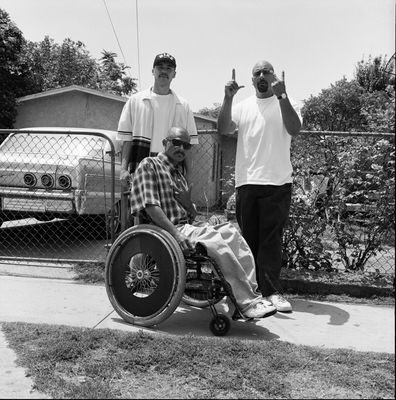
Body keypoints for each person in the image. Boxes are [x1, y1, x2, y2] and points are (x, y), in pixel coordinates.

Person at [130, 126, 277, 319]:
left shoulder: (179, 175)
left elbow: (191, 213)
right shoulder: (150, 165)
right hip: (167, 231)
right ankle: (246, 302)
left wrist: (187, 203)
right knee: (215, 240)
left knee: (231, 233)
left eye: (186, 145)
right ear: (165, 143)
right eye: (176, 142)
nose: (181, 148)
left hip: (188, 226)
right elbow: (150, 206)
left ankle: (246, 301)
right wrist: (176, 233)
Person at [217, 61, 302, 313]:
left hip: (278, 182)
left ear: (274, 76)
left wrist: (282, 95)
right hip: (248, 182)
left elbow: (295, 128)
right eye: (257, 73)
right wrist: (227, 98)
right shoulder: (242, 107)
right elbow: (223, 128)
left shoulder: (288, 102)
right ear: (251, 80)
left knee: (271, 240)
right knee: (248, 240)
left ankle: (272, 293)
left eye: (267, 72)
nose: (262, 76)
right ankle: (251, 295)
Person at [117, 52, 198, 184]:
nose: (164, 71)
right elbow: (127, 139)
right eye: (160, 67)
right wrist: (123, 169)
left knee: (171, 204)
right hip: (141, 164)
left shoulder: (183, 105)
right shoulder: (135, 101)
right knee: (142, 204)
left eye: (169, 68)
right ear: (153, 71)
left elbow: (190, 144)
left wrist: (189, 174)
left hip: (172, 167)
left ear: (174, 74)